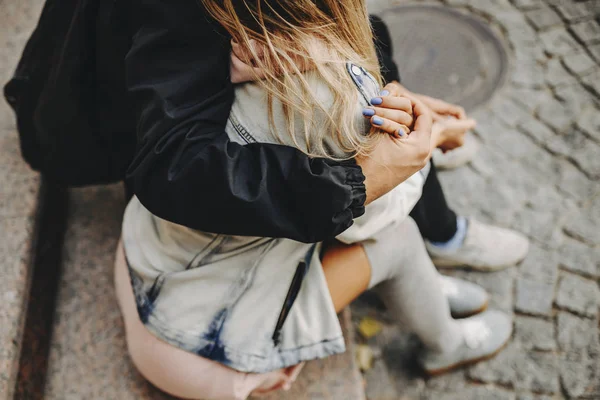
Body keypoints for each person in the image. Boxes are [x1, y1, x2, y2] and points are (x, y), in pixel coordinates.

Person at [115, 1, 513, 398]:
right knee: (398, 238)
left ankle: (426, 285)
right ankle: (446, 343)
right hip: (215, 353)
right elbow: (372, 218)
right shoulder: (335, 102)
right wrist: (425, 141)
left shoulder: (214, 52)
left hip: (143, 267)